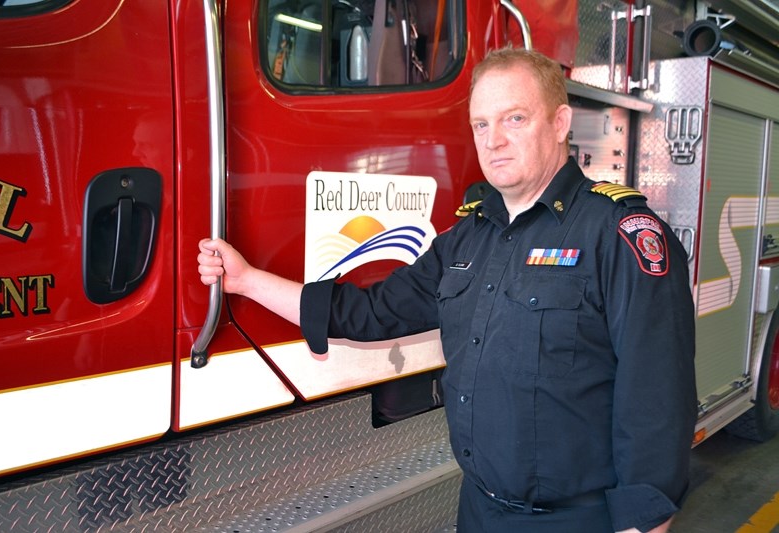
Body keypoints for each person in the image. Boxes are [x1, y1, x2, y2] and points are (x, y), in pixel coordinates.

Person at [198, 46, 697, 533]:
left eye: (514, 119)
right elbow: (370, 313)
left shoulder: (618, 233)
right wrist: (246, 280)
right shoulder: (466, 238)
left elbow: (656, 395)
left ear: (561, 123)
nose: (494, 140)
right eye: (481, 124)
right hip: (480, 509)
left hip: (576, 519)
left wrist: (644, 522)